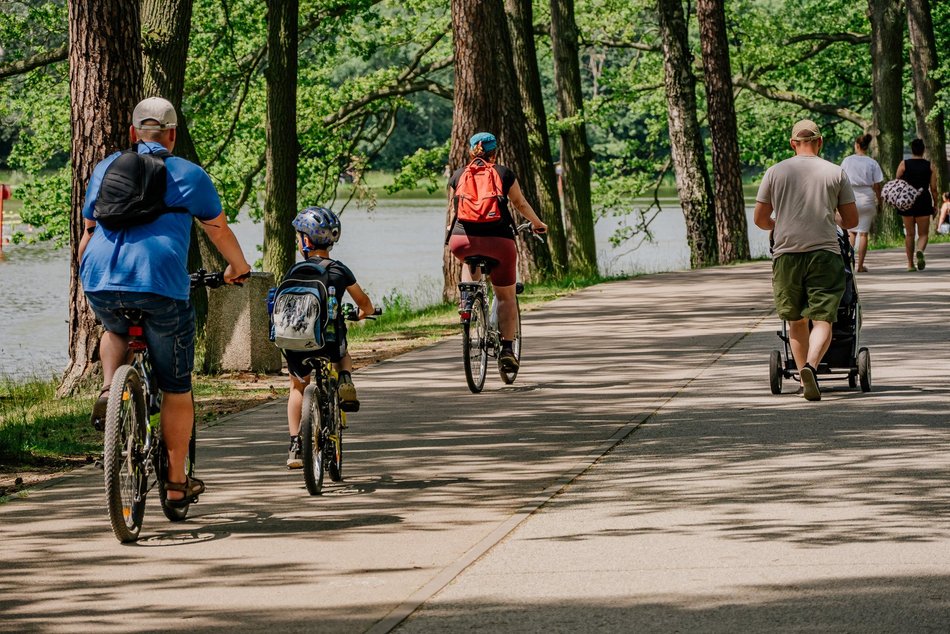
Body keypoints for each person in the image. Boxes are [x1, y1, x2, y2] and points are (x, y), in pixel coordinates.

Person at [79, 97, 251, 505]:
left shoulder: (105, 168)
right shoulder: (189, 173)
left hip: (101, 278)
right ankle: (176, 483)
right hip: (159, 284)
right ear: (172, 134)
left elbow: (88, 232)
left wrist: (89, 274)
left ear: (134, 132)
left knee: (114, 327)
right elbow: (218, 232)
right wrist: (238, 268)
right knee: (176, 388)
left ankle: (109, 389)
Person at [753, 119, 859, 401]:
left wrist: (780, 222)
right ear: (820, 142)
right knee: (823, 319)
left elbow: (761, 219)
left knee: (796, 321)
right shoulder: (835, 173)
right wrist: (829, 215)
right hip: (825, 253)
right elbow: (851, 220)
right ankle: (812, 366)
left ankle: (803, 380)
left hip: (787, 254)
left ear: (792, 144)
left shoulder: (775, 172)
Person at [282, 206, 374, 469]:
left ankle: (295, 445)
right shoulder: (339, 270)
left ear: (306, 241)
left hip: (297, 343)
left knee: (297, 387)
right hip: (330, 341)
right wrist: (364, 313)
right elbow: (363, 302)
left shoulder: (293, 272)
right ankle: (345, 379)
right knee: (343, 355)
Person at [446, 132, 548, 372]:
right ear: (495, 152)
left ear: (471, 151)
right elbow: (520, 204)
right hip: (498, 240)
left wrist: (452, 236)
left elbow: (454, 214)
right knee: (505, 296)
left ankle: (467, 301)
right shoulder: (503, 174)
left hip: (462, 241)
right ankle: (507, 349)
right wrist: (538, 223)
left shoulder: (457, 176)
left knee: (467, 260)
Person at [840, 133, 883, 273]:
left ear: (857, 145)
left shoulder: (847, 161)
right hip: (867, 198)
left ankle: (850, 264)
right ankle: (860, 266)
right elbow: (877, 186)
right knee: (864, 233)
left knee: (852, 232)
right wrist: (880, 202)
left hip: (850, 197)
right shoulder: (872, 163)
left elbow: (840, 180)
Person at [895, 138, 938, 271]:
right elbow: (934, 188)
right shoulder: (930, 165)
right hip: (923, 200)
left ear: (912, 149)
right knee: (923, 234)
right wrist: (935, 204)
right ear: (923, 150)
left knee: (909, 234)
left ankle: (910, 264)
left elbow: (897, 182)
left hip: (907, 201)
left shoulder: (904, 164)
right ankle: (920, 250)